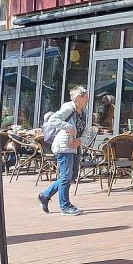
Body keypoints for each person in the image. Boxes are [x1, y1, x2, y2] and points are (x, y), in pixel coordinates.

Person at [38, 86, 97, 216]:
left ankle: (45, 195)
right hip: (64, 145)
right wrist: (68, 127)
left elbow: (87, 130)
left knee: (73, 175)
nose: (88, 98)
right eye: (85, 96)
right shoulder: (68, 108)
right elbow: (53, 120)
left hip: (75, 146)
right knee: (66, 176)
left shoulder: (84, 112)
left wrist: (81, 140)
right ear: (78, 98)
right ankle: (65, 206)